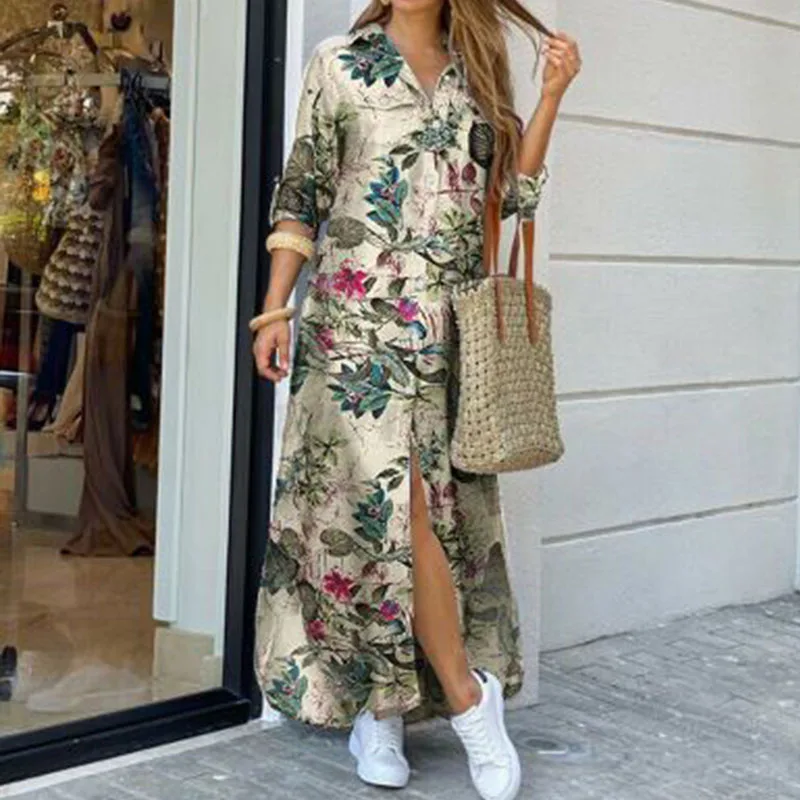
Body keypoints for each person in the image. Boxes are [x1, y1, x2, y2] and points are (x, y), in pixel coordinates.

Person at [251, 2, 580, 798]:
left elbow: (512, 193)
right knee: (378, 516)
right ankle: (456, 704)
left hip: (445, 340)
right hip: (350, 333)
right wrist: (274, 308)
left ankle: (396, 707)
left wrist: (551, 97)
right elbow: (302, 190)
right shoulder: (338, 63)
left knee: (422, 517)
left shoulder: (479, 73)